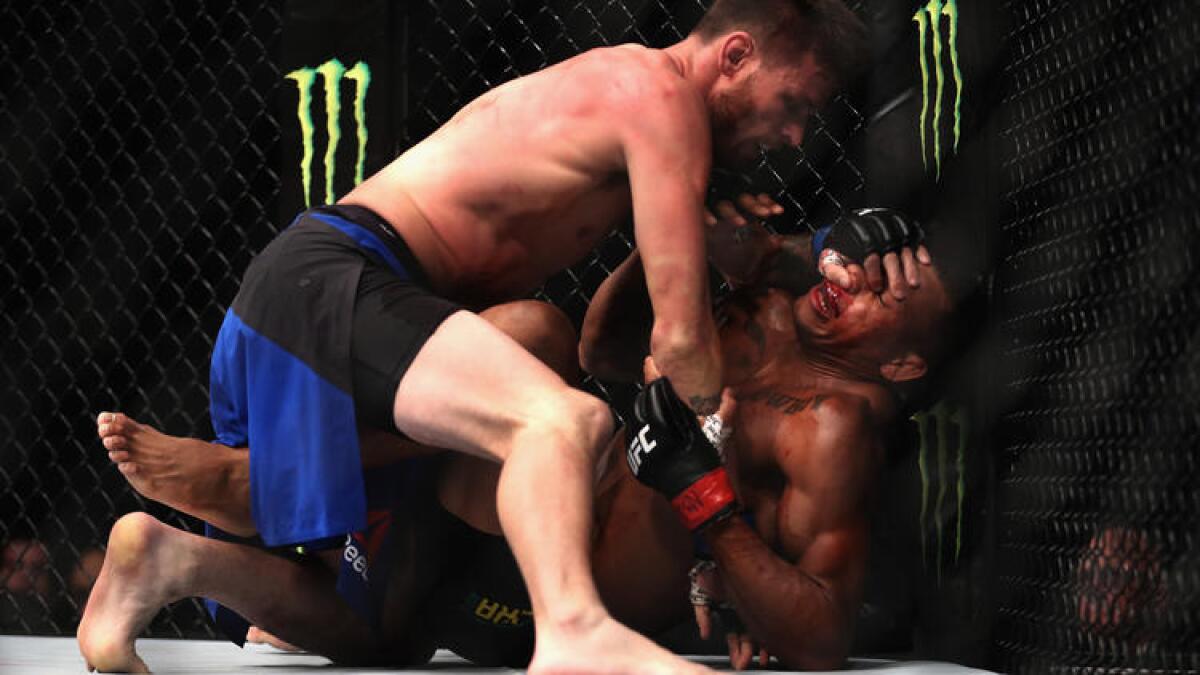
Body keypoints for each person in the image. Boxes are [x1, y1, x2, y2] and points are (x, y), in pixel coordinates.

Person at [81, 1, 869, 672]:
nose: (797, 137)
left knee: (377, 624)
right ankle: (571, 630)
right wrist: (705, 452)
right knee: (568, 421)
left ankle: (168, 557)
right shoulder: (657, 95)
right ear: (735, 55)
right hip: (338, 280)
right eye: (795, 103)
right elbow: (682, 330)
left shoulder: (624, 97)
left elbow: (605, 341)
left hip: (340, 304)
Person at [91, 199, 949, 670]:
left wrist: (704, 496)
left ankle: (198, 542)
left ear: (905, 366)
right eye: (862, 264)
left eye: (888, 291)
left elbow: (821, 637)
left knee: (382, 639)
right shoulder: (763, 309)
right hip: (532, 491)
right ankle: (264, 498)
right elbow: (599, 349)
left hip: (536, 591)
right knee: (533, 332)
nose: (854, 280)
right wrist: (672, 246)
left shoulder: (831, 427)